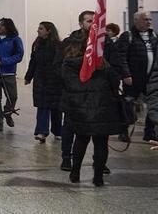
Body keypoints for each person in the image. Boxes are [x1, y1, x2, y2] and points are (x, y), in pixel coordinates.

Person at [60, 39, 122, 186]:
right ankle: (98, 177)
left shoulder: (69, 64)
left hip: (81, 110)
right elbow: (115, 82)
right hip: (102, 109)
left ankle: (75, 173)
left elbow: (68, 84)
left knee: (81, 141)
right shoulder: (102, 64)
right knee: (101, 144)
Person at [115, 11, 157, 142]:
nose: (149, 22)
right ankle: (123, 131)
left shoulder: (154, 36)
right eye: (145, 19)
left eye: (150, 19)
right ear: (136, 21)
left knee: (153, 105)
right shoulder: (127, 36)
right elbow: (121, 57)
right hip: (133, 79)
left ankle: (149, 133)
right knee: (127, 105)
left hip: (151, 79)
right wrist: (126, 74)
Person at [24, 22, 64, 142]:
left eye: (41, 28)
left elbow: (61, 63)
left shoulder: (58, 45)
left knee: (56, 108)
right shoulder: (37, 44)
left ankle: (58, 131)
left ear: (49, 31)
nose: (38, 30)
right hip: (40, 79)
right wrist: (28, 76)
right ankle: (41, 131)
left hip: (55, 80)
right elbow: (33, 61)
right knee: (42, 106)